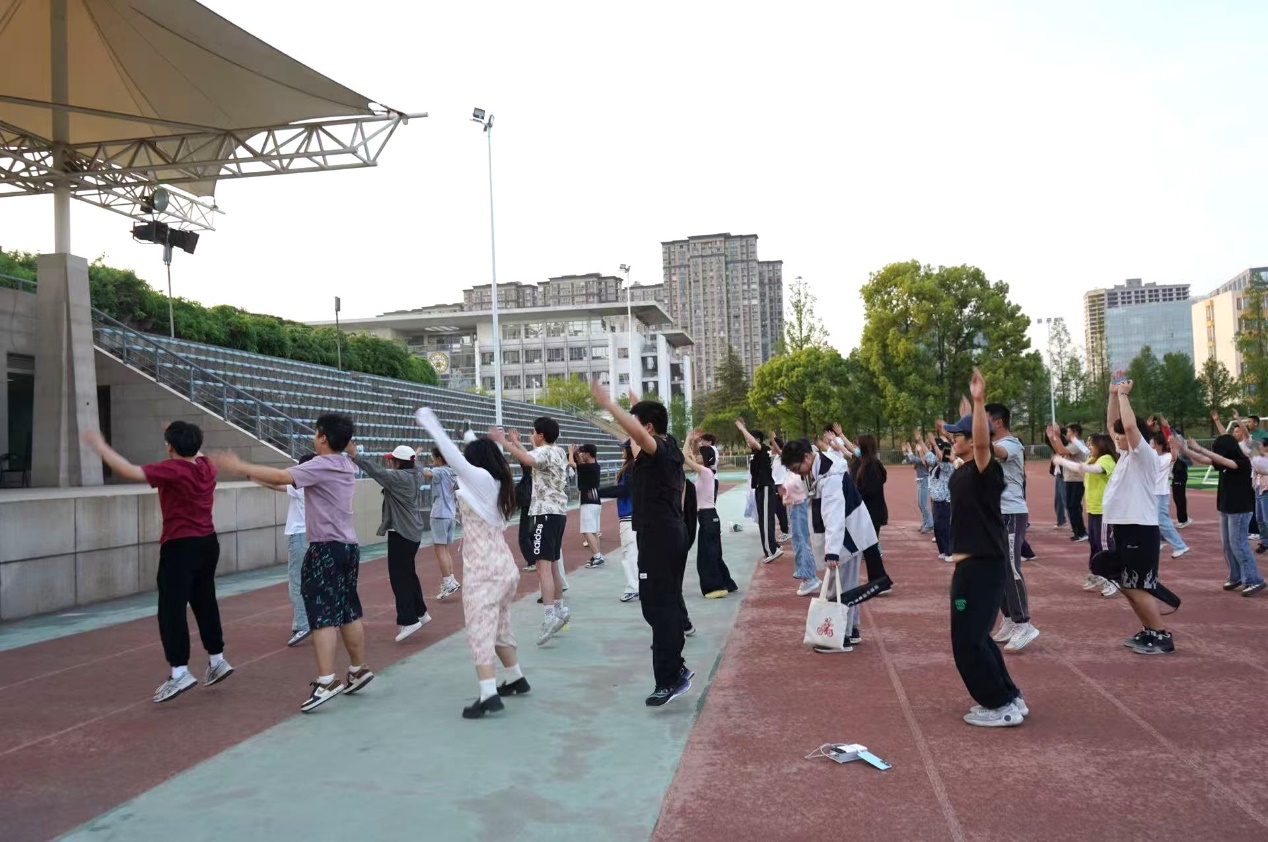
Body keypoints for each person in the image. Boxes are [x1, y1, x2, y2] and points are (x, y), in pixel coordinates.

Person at [212, 414, 373, 712]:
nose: (313, 436)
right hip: (348, 547)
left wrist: (240, 466)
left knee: (323, 615)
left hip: (325, 547)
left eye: (315, 432)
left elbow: (281, 477)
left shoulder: (321, 464)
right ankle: (358, 668)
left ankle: (327, 681)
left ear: (323, 437)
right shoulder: (346, 465)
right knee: (348, 610)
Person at [82, 422, 234, 704]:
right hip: (208, 543)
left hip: (180, 546)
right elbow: (195, 450)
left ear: (170, 447)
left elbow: (129, 471)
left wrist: (100, 445)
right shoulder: (206, 466)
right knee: (205, 601)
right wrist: (179, 435)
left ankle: (180, 672)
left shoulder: (172, 469)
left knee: (171, 609)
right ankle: (217, 659)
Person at [415, 409, 530, 718]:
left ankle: (488, 694)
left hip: (485, 571)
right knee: (500, 625)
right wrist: (469, 435)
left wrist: (430, 422)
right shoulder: (496, 481)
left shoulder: (480, 480)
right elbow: (474, 453)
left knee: (480, 630)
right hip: (502, 567)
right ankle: (515, 677)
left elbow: (454, 457)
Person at [593, 382, 694, 706]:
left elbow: (640, 436)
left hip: (661, 536)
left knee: (657, 606)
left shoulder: (659, 449)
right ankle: (675, 668)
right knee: (662, 604)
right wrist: (636, 404)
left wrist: (610, 406)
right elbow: (641, 436)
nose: (630, 438)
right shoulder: (667, 447)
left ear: (648, 428)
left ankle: (670, 677)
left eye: (636, 428)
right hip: (666, 534)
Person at [942, 369, 1026, 727]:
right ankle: (1008, 695)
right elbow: (969, 441)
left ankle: (999, 706)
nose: (952, 440)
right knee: (978, 637)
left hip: (980, 569)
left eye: (956, 436)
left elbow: (981, 444)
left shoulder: (984, 468)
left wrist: (978, 403)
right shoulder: (963, 469)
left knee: (967, 641)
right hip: (970, 569)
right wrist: (967, 412)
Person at [1093, 380, 1183, 654]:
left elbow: (1129, 428)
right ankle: (1149, 630)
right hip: (1124, 528)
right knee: (1127, 583)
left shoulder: (1143, 455)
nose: (1116, 438)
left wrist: (1123, 395)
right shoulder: (1124, 455)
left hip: (1139, 528)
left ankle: (1161, 636)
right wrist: (1112, 395)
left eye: (1121, 435)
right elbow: (1114, 426)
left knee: (1137, 585)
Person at [781, 437, 891, 652]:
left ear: (807, 457)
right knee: (847, 584)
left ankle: (841, 636)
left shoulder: (830, 477)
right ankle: (851, 630)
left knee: (838, 586)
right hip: (848, 534)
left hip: (846, 537)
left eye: (796, 468)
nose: (797, 473)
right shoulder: (822, 468)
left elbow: (834, 515)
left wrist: (832, 552)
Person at [494, 417, 571, 645]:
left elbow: (528, 459)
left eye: (533, 433)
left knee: (542, 567)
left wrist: (504, 443)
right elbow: (532, 456)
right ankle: (559, 608)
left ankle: (549, 616)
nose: (532, 436)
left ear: (540, 435)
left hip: (544, 514)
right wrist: (517, 443)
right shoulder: (558, 452)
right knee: (553, 565)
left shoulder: (544, 452)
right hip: (558, 513)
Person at [353, 444, 431, 642]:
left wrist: (355, 456)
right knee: (409, 574)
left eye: (392, 460)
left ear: (399, 463)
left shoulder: (399, 478)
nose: (389, 462)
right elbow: (416, 464)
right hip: (412, 531)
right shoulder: (416, 473)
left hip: (401, 532)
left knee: (399, 578)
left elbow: (376, 471)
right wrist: (415, 455)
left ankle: (408, 619)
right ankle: (420, 612)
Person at [1174, 434, 1265, 597]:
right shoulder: (1223, 462)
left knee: (1239, 544)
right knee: (1228, 545)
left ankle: (1254, 579)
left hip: (1239, 510)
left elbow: (1222, 460)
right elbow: (1204, 460)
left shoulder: (1243, 463)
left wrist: (1199, 448)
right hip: (1226, 508)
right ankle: (1236, 576)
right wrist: (1185, 450)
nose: (1217, 454)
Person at [985, 402, 1038, 652]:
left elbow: (995, 450)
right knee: (995, 571)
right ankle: (1008, 618)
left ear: (997, 422)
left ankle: (1023, 623)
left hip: (1011, 513)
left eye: (983, 420)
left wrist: (973, 428)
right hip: (995, 514)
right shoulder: (991, 445)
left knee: (1010, 568)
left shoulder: (1012, 444)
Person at [253, 453, 315, 647]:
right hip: (318, 536)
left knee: (297, 582)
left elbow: (276, 484)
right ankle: (318, 620)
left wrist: (255, 476)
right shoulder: (321, 485)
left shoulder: (301, 485)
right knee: (315, 581)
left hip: (300, 535)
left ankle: (303, 624)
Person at [1052, 431, 1118, 595]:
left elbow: (1091, 469)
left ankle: (1113, 578)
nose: (1089, 446)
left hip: (1104, 510)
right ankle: (1097, 573)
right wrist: (1065, 459)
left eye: (1091, 443)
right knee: (1094, 543)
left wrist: (1062, 461)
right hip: (1094, 509)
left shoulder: (1106, 459)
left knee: (1104, 544)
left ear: (1100, 445)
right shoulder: (1092, 458)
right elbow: (1081, 468)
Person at [684, 429, 738, 598]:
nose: (696, 456)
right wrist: (694, 442)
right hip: (709, 518)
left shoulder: (706, 473)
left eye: (699, 455)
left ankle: (715, 588)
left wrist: (687, 439)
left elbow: (685, 457)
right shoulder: (704, 473)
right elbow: (692, 455)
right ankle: (727, 583)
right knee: (714, 554)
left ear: (705, 459)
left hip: (708, 518)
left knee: (706, 556)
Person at [776, 437, 819, 596]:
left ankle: (809, 576)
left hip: (799, 505)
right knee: (800, 540)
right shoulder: (797, 470)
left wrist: (784, 491)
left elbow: (797, 487)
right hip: (797, 505)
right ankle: (809, 575)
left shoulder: (803, 471)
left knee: (800, 540)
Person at [736, 419, 782, 562]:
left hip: (766, 487)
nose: (747, 442)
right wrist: (743, 429)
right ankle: (772, 546)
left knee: (766, 521)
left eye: (749, 439)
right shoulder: (756, 452)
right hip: (760, 489)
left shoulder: (763, 449)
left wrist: (742, 429)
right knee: (763, 520)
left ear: (757, 440)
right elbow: (751, 442)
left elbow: (753, 442)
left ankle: (771, 551)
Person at [599, 441, 640, 602]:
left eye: (623, 448)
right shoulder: (634, 466)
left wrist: (599, 492)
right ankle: (639, 585)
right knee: (634, 552)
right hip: (633, 515)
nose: (621, 451)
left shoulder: (630, 467)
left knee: (629, 552)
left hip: (629, 516)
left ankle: (633, 587)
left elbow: (624, 490)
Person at [852, 434, 891, 588]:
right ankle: (878, 579)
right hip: (869, 511)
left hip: (872, 511)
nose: (855, 449)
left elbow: (870, 489)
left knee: (870, 547)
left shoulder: (872, 466)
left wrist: (855, 495)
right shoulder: (866, 464)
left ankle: (879, 580)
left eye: (857, 446)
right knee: (869, 547)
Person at [423, 447, 462, 600]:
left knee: (440, 550)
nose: (432, 460)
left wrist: (416, 463)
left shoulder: (439, 471)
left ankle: (447, 581)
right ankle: (451, 579)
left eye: (433, 457)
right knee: (445, 549)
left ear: (439, 458)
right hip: (451, 513)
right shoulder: (453, 471)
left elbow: (427, 473)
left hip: (440, 513)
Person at [1149, 433, 1190, 559]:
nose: (1150, 445)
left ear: (1158, 445)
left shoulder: (1166, 457)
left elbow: (1174, 457)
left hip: (1161, 493)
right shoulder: (1151, 456)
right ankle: (1157, 542)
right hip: (1151, 493)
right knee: (1151, 520)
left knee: (1162, 520)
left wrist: (1172, 444)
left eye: (1152, 443)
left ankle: (1180, 546)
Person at [570, 443, 605, 568]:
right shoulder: (595, 466)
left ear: (588, 454)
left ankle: (597, 556)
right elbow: (580, 464)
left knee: (587, 531)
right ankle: (597, 554)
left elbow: (572, 464)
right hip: (596, 501)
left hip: (588, 502)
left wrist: (571, 452)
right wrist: (576, 454)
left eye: (582, 452)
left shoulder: (586, 467)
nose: (581, 454)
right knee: (594, 531)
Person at [1054, 424, 1091, 542]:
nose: (1066, 434)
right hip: (1071, 479)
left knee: (1074, 506)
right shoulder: (1072, 444)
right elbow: (1059, 449)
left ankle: (1081, 532)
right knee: (1071, 506)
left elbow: (1062, 451)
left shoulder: (1077, 444)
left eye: (1069, 432)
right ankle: (1078, 531)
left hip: (1077, 479)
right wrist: (1052, 437)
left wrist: (1057, 436)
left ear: (1075, 433)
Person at [927, 430, 955, 561]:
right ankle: (943, 550)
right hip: (937, 500)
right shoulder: (936, 463)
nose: (936, 452)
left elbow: (943, 459)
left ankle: (950, 552)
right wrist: (921, 442)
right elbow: (929, 456)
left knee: (945, 526)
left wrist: (934, 443)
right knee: (938, 527)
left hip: (945, 500)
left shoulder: (947, 465)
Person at [902, 431, 935, 533]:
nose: (917, 448)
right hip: (920, 481)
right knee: (920, 504)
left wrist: (909, 450)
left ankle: (930, 524)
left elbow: (914, 459)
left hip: (925, 480)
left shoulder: (926, 458)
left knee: (923, 504)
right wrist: (905, 452)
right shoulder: (920, 457)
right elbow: (910, 460)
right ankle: (926, 522)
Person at [515, 464, 536, 572]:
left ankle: (532, 561)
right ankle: (534, 560)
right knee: (532, 534)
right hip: (534, 507)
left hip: (528, 507)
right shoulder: (533, 479)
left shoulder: (527, 480)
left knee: (524, 536)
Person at [1255, 440, 1268, 555]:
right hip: (1258, 489)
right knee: (1260, 519)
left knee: (1266, 519)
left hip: (1266, 490)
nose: (1258, 448)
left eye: (1260, 446)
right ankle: (1265, 542)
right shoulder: (1257, 458)